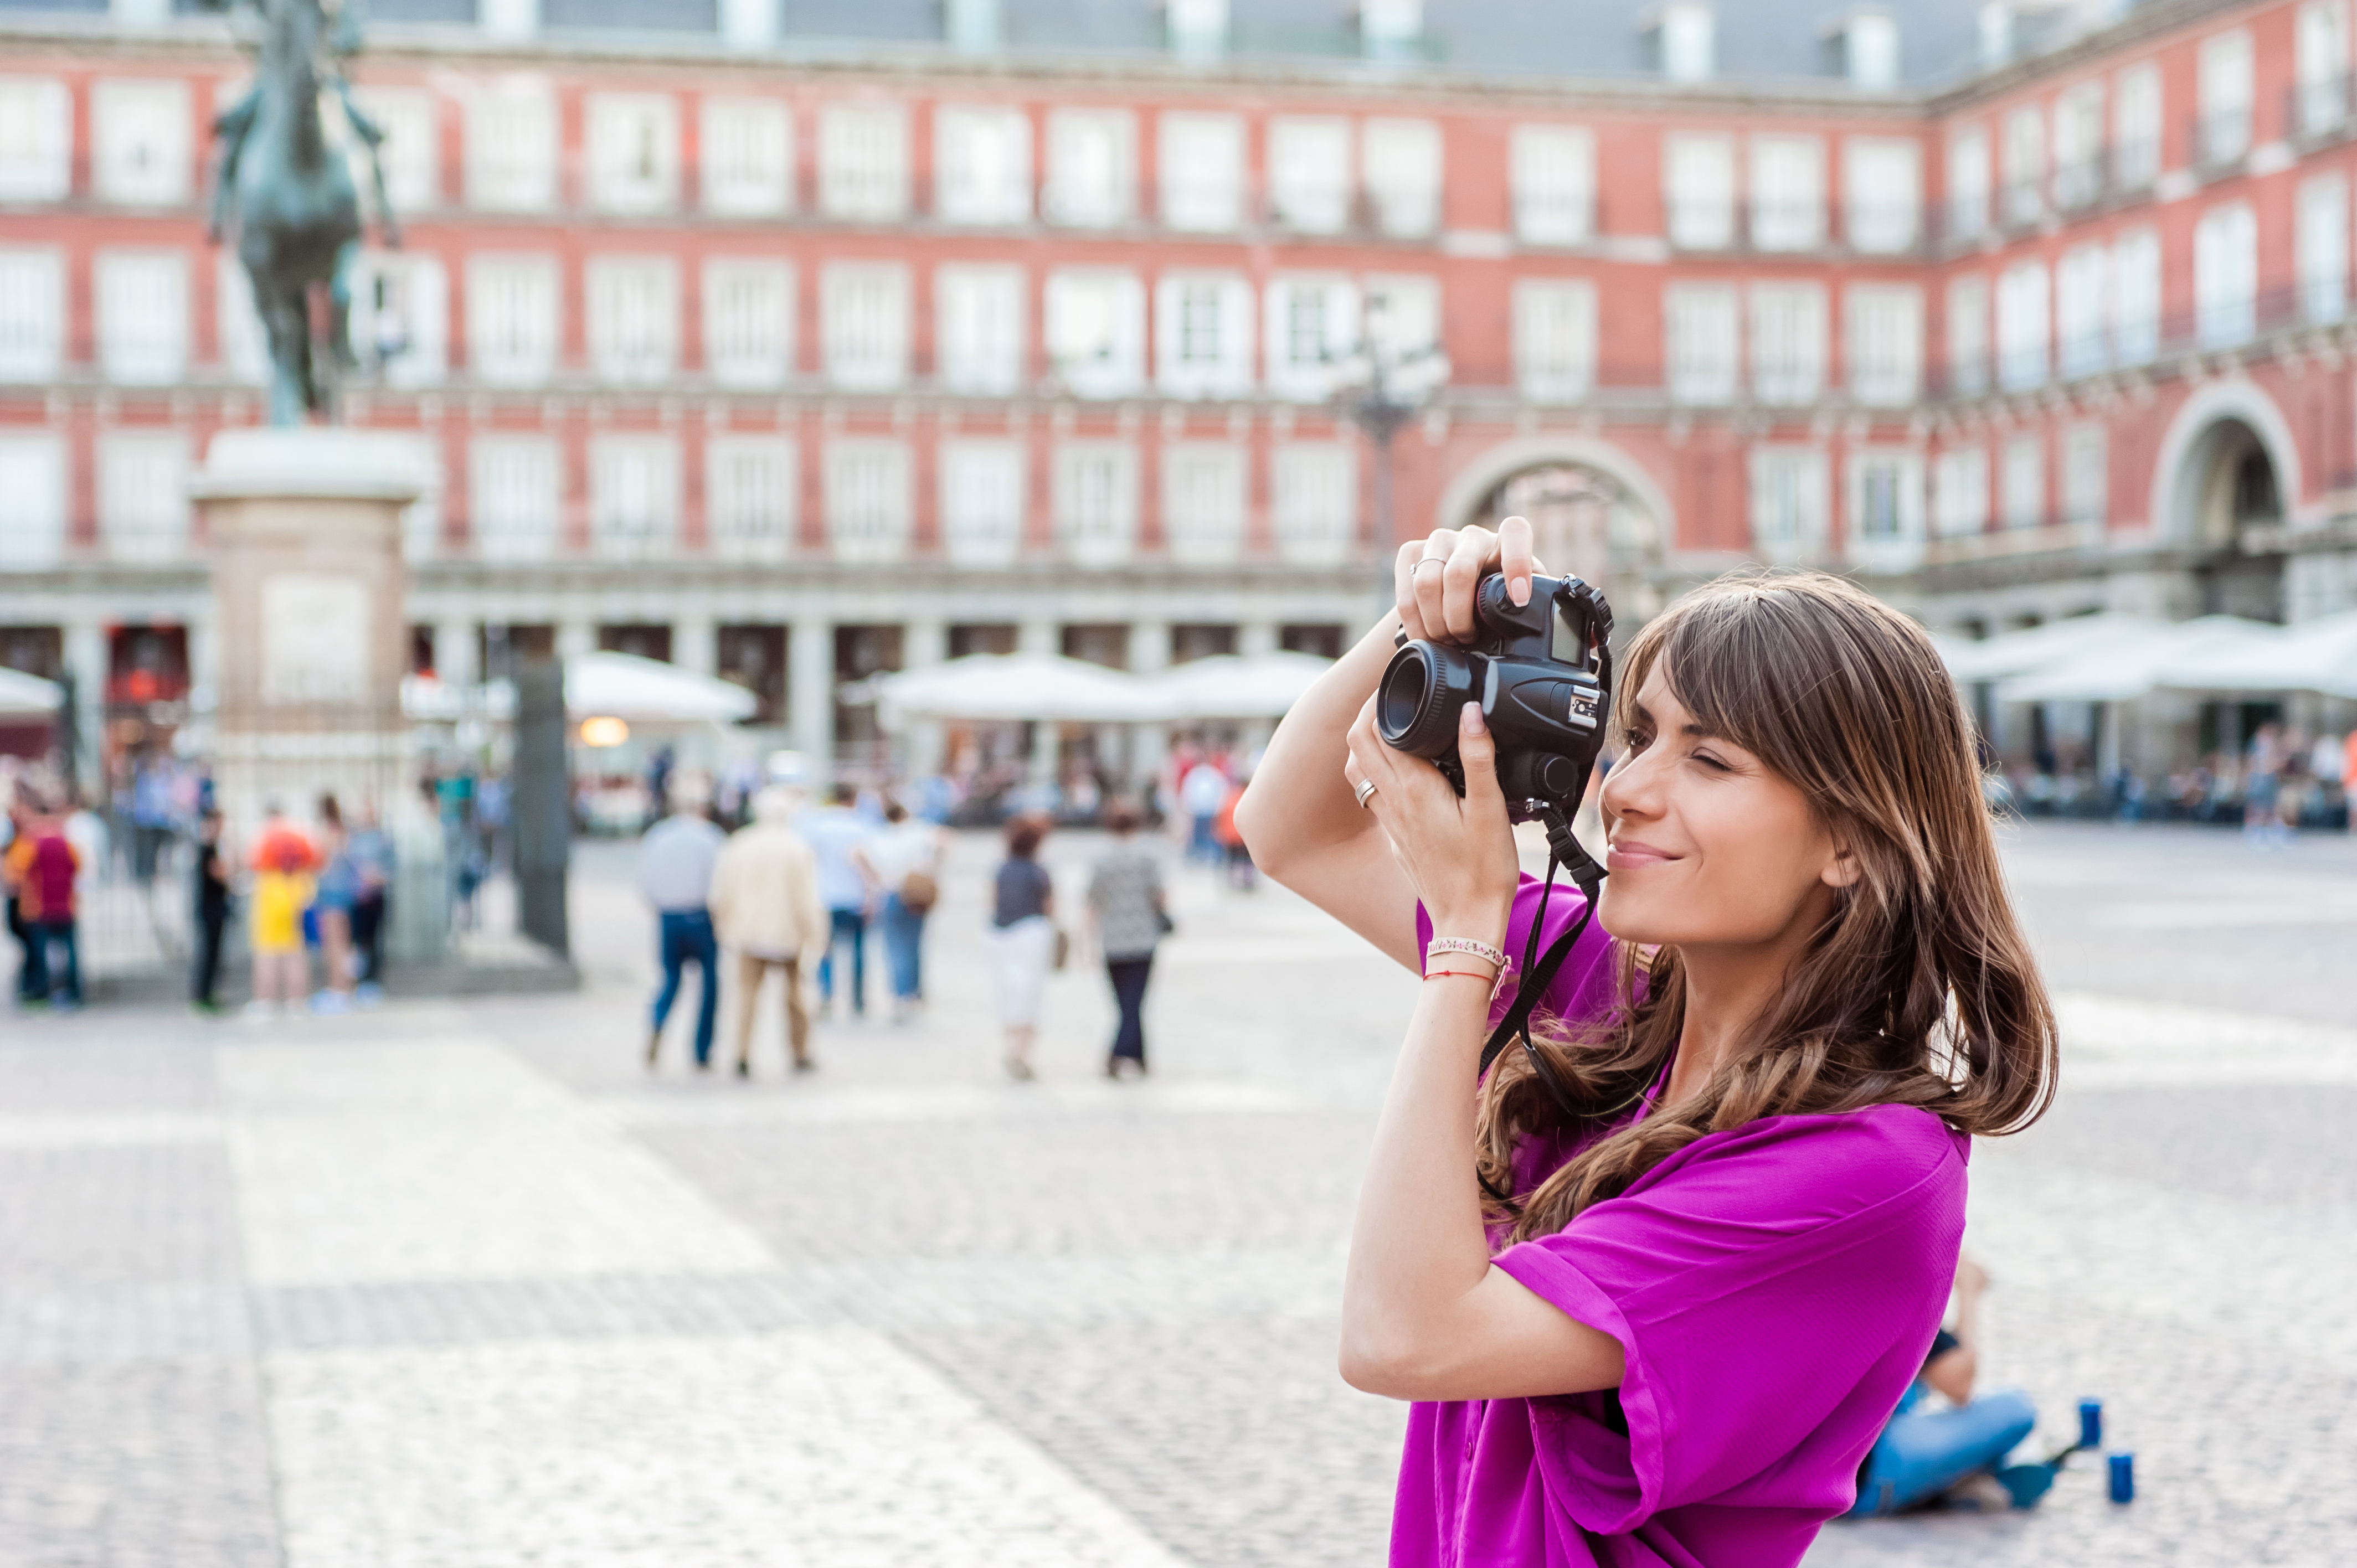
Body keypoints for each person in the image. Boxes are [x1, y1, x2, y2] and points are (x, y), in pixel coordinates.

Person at [1234, 520, 2057, 1566]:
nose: (1623, 786)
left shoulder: (1869, 1172)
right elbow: (1289, 828)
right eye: (1638, 735)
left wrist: (1469, 947)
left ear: (1851, 840)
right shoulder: (1613, 988)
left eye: (1708, 757)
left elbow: (1403, 1336)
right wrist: (1423, 616)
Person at [1847, 1256, 2040, 1515]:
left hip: (1803, 1478)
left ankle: (1954, 1478)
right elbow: (1960, 1385)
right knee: (2016, 1407)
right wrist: (1968, 1289)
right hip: (1863, 1479)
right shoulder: (1888, 1286)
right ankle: (1957, 1480)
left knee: (1910, 1393)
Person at [707, 785, 826, 1076]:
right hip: (787, 933)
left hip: (748, 932)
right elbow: (807, 899)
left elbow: (720, 893)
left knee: (747, 995)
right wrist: (816, 935)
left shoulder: (739, 844)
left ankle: (741, 1053)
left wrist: (724, 926)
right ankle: (799, 1052)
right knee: (796, 996)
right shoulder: (796, 847)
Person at [637, 793, 726, 1070]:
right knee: (710, 986)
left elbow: (645, 882)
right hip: (701, 916)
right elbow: (721, 881)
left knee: (670, 979)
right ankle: (702, 1050)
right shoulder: (710, 837)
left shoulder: (657, 837)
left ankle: (658, 1022)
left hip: (668, 917)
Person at [1085, 800, 1168, 1079]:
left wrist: (1086, 940)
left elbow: (1092, 903)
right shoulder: (1148, 858)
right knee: (1134, 1003)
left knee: (1125, 1003)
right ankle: (1124, 1054)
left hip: (1112, 939)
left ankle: (1131, 1055)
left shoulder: (1101, 861)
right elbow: (1160, 896)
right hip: (1143, 937)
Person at [799, 783, 880, 1019]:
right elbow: (867, 863)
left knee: (825, 950)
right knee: (858, 950)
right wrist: (873, 893)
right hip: (855, 897)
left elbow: (808, 860)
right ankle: (857, 999)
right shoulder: (860, 826)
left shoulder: (818, 826)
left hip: (826, 897)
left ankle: (826, 994)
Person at [986, 812, 1057, 1080]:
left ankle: (1011, 1047)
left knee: (1008, 993)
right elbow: (1050, 907)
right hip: (1031, 934)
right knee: (1030, 994)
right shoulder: (1038, 872)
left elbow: (992, 902)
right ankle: (1023, 1052)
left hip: (1000, 935)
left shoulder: (1003, 869)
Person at [863, 800, 944, 1023]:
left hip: (890, 892)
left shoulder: (879, 836)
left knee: (895, 947)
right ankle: (915, 993)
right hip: (915, 892)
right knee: (915, 945)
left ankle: (901, 996)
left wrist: (875, 883)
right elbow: (943, 843)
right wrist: (933, 870)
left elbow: (863, 857)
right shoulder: (919, 832)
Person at [246, 802, 318, 1018]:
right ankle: (296, 1002)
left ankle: (265, 1002)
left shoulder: (264, 834)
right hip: (296, 890)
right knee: (295, 953)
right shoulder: (299, 833)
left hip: (271, 890)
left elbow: (251, 862)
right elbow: (314, 860)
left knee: (267, 952)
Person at [6, 800, 80, 1009]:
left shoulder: (29, 842)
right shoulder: (66, 842)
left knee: (39, 954)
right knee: (71, 952)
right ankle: (73, 992)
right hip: (66, 906)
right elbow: (78, 865)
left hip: (37, 907)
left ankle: (41, 992)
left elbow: (13, 874)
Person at [310, 794, 360, 1014]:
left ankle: (339, 990)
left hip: (331, 895)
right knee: (342, 945)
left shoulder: (329, 833)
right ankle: (343, 989)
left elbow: (322, 864)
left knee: (334, 946)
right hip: (343, 894)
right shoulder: (343, 831)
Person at [346, 803, 393, 1000]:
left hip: (375, 897)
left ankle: (373, 982)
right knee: (357, 941)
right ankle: (358, 980)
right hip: (356, 898)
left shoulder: (383, 840)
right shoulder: (352, 839)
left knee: (375, 940)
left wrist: (377, 876)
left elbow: (391, 868)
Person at [191, 808, 233, 1014]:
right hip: (211, 909)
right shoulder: (208, 848)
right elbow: (221, 874)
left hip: (215, 907)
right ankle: (203, 994)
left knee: (214, 954)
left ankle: (209, 993)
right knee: (209, 954)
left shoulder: (212, 848)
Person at [1179, 754, 1230, 863]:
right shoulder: (1195, 775)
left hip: (1210, 811)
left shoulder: (1214, 775)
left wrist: (1219, 809)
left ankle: (1209, 858)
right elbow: (1188, 792)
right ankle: (1197, 859)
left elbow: (1222, 792)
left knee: (1211, 836)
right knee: (1198, 836)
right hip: (1198, 811)